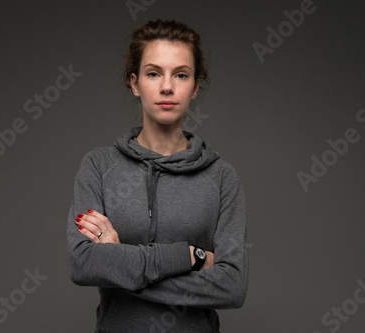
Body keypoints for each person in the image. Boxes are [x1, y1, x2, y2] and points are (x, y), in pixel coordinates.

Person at [66, 19, 248, 333]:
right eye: (154, 73)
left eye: (181, 74)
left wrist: (122, 264)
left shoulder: (221, 177)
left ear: (195, 87)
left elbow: (232, 286)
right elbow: (83, 265)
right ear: (135, 83)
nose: (167, 86)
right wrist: (191, 256)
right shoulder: (98, 166)